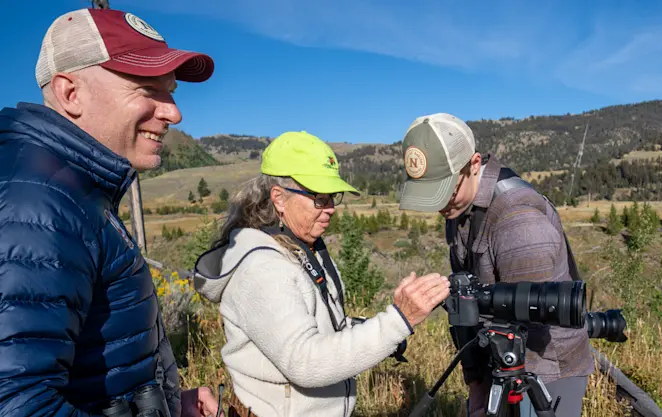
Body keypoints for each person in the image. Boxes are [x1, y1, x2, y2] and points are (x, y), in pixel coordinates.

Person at [0, 8, 220, 416]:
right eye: (147, 89)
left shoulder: (73, 189)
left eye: (170, 90)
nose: (174, 112)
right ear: (71, 93)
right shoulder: (40, 203)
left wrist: (171, 404)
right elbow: (17, 403)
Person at [192, 130, 451, 417]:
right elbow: (305, 361)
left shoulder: (301, 250)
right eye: (318, 198)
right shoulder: (262, 269)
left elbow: (326, 329)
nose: (330, 209)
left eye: (332, 197)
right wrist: (397, 321)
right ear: (278, 198)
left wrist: (375, 330)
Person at [398, 113, 595, 417]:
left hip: (545, 370)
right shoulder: (460, 207)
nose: (440, 205)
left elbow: (529, 331)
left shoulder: (516, 218)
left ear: (474, 164)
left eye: (445, 190)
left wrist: (488, 390)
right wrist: (477, 381)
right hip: (498, 359)